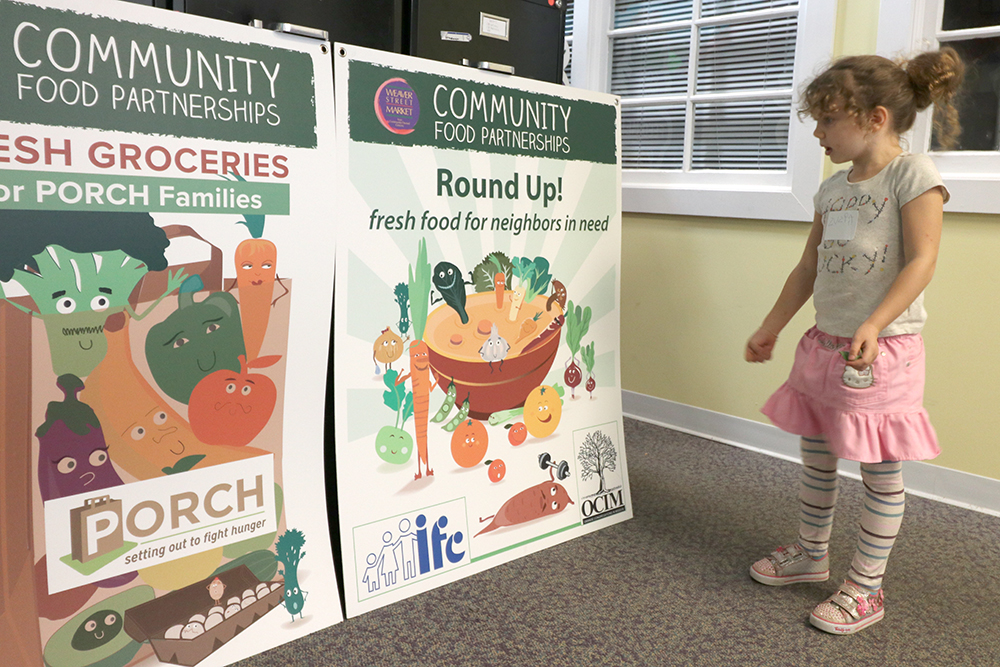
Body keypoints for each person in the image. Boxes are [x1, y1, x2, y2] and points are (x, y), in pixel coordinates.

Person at [744, 48, 964, 635]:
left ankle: (867, 587)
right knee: (817, 454)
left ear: (874, 118)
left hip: (882, 352)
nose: (817, 132)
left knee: (879, 471)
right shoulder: (832, 190)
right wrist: (772, 325)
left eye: (827, 119)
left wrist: (873, 324)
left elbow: (922, 261)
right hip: (823, 345)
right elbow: (807, 268)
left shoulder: (913, 175)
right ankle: (812, 553)